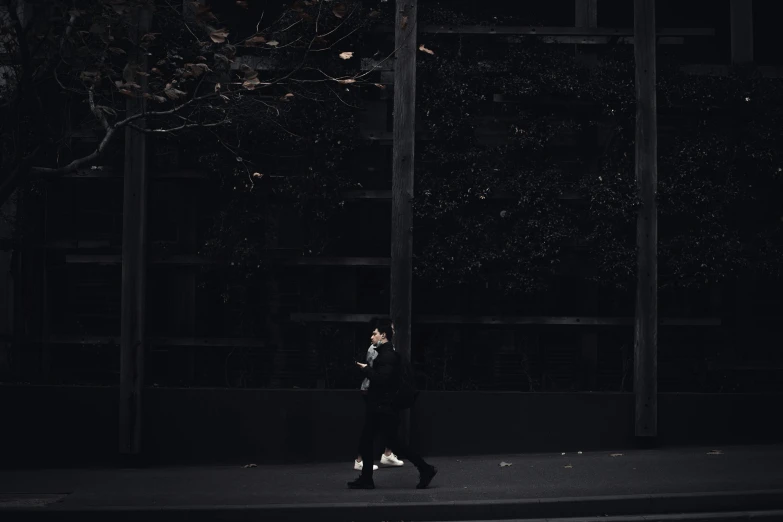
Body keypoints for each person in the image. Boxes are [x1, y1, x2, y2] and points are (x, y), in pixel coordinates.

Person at [348, 322, 437, 490]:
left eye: (374, 333)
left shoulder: (387, 355)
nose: (371, 337)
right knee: (379, 442)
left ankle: (425, 469)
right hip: (382, 407)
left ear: (383, 335)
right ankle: (368, 478)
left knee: (386, 442)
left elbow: (382, 380)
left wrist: (367, 369)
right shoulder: (385, 353)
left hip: (383, 408)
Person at [353, 320, 404, 471]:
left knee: (383, 424)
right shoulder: (376, 348)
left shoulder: (386, 348)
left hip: (377, 391)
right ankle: (361, 460)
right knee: (374, 426)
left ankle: (386, 454)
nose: (392, 331)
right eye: (391, 329)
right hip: (372, 390)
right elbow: (377, 373)